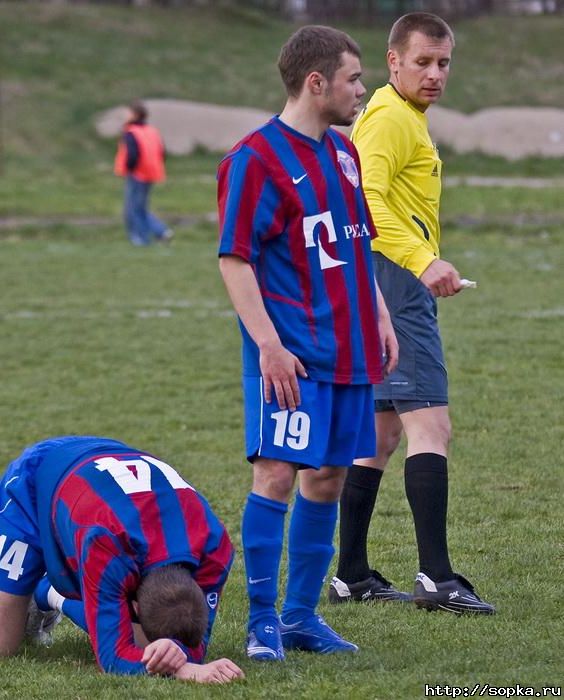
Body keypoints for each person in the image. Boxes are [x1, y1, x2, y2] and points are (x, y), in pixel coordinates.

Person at [217, 25, 399, 661]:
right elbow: (235, 260)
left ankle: (300, 616)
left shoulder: (344, 153)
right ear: (316, 83)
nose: (362, 88)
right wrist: (267, 345)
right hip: (291, 356)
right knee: (277, 475)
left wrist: (377, 312)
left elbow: (354, 241)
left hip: (351, 354)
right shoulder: (255, 160)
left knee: (328, 479)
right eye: (353, 78)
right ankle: (261, 621)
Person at [329, 12, 495, 614]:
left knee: (380, 431)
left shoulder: (398, 115)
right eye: (421, 61)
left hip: (382, 280)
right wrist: (422, 260)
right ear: (393, 61)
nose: (434, 74)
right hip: (394, 281)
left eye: (443, 62)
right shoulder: (393, 120)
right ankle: (436, 577)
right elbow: (365, 200)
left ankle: (350, 573)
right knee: (432, 428)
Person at [0, 436, 244, 684]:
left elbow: (194, 646)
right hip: (36, 481)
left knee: (152, 648)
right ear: (133, 604)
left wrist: (183, 657)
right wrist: (185, 671)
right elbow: (113, 659)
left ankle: (50, 592)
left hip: (101, 491)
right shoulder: (108, 546)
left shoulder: (216, 550)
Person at [114, 100, 173, 246]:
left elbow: (132, 154)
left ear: (135, 115)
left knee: (132, 210)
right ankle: (161, 232)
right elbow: (162, 152)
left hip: (137, 174)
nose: (124, 116)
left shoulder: (131, 132)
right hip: (151, 173)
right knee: (140, 207)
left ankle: (141, 239)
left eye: (127, 113)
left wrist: (129, 168)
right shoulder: (152, 131)